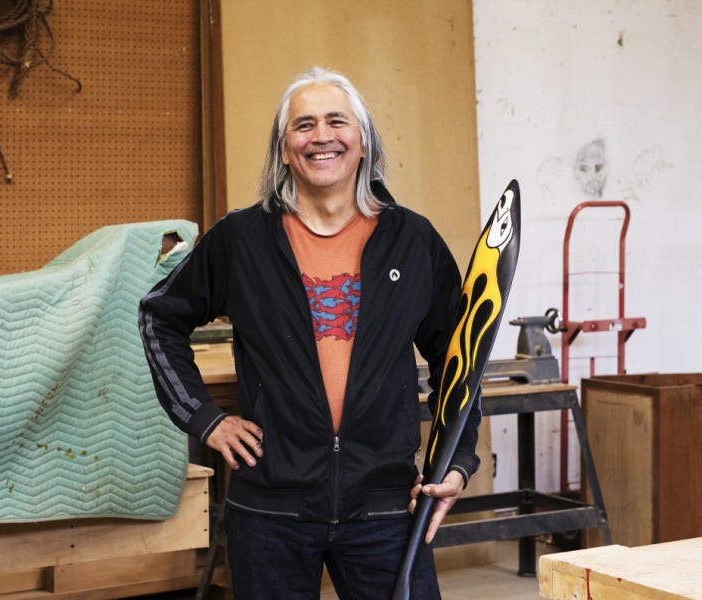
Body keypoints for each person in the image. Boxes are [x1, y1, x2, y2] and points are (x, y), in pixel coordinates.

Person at [139, 66, 481, 599]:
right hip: (271, 509)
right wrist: (204, 419)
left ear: (363, 141)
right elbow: (160, 315)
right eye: (303, 125)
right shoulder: (241, 240)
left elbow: (459, 358)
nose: (321, 136)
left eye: (336, 122)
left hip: (387, 504)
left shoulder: (413, 242)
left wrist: (457, 461)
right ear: (284, 149)